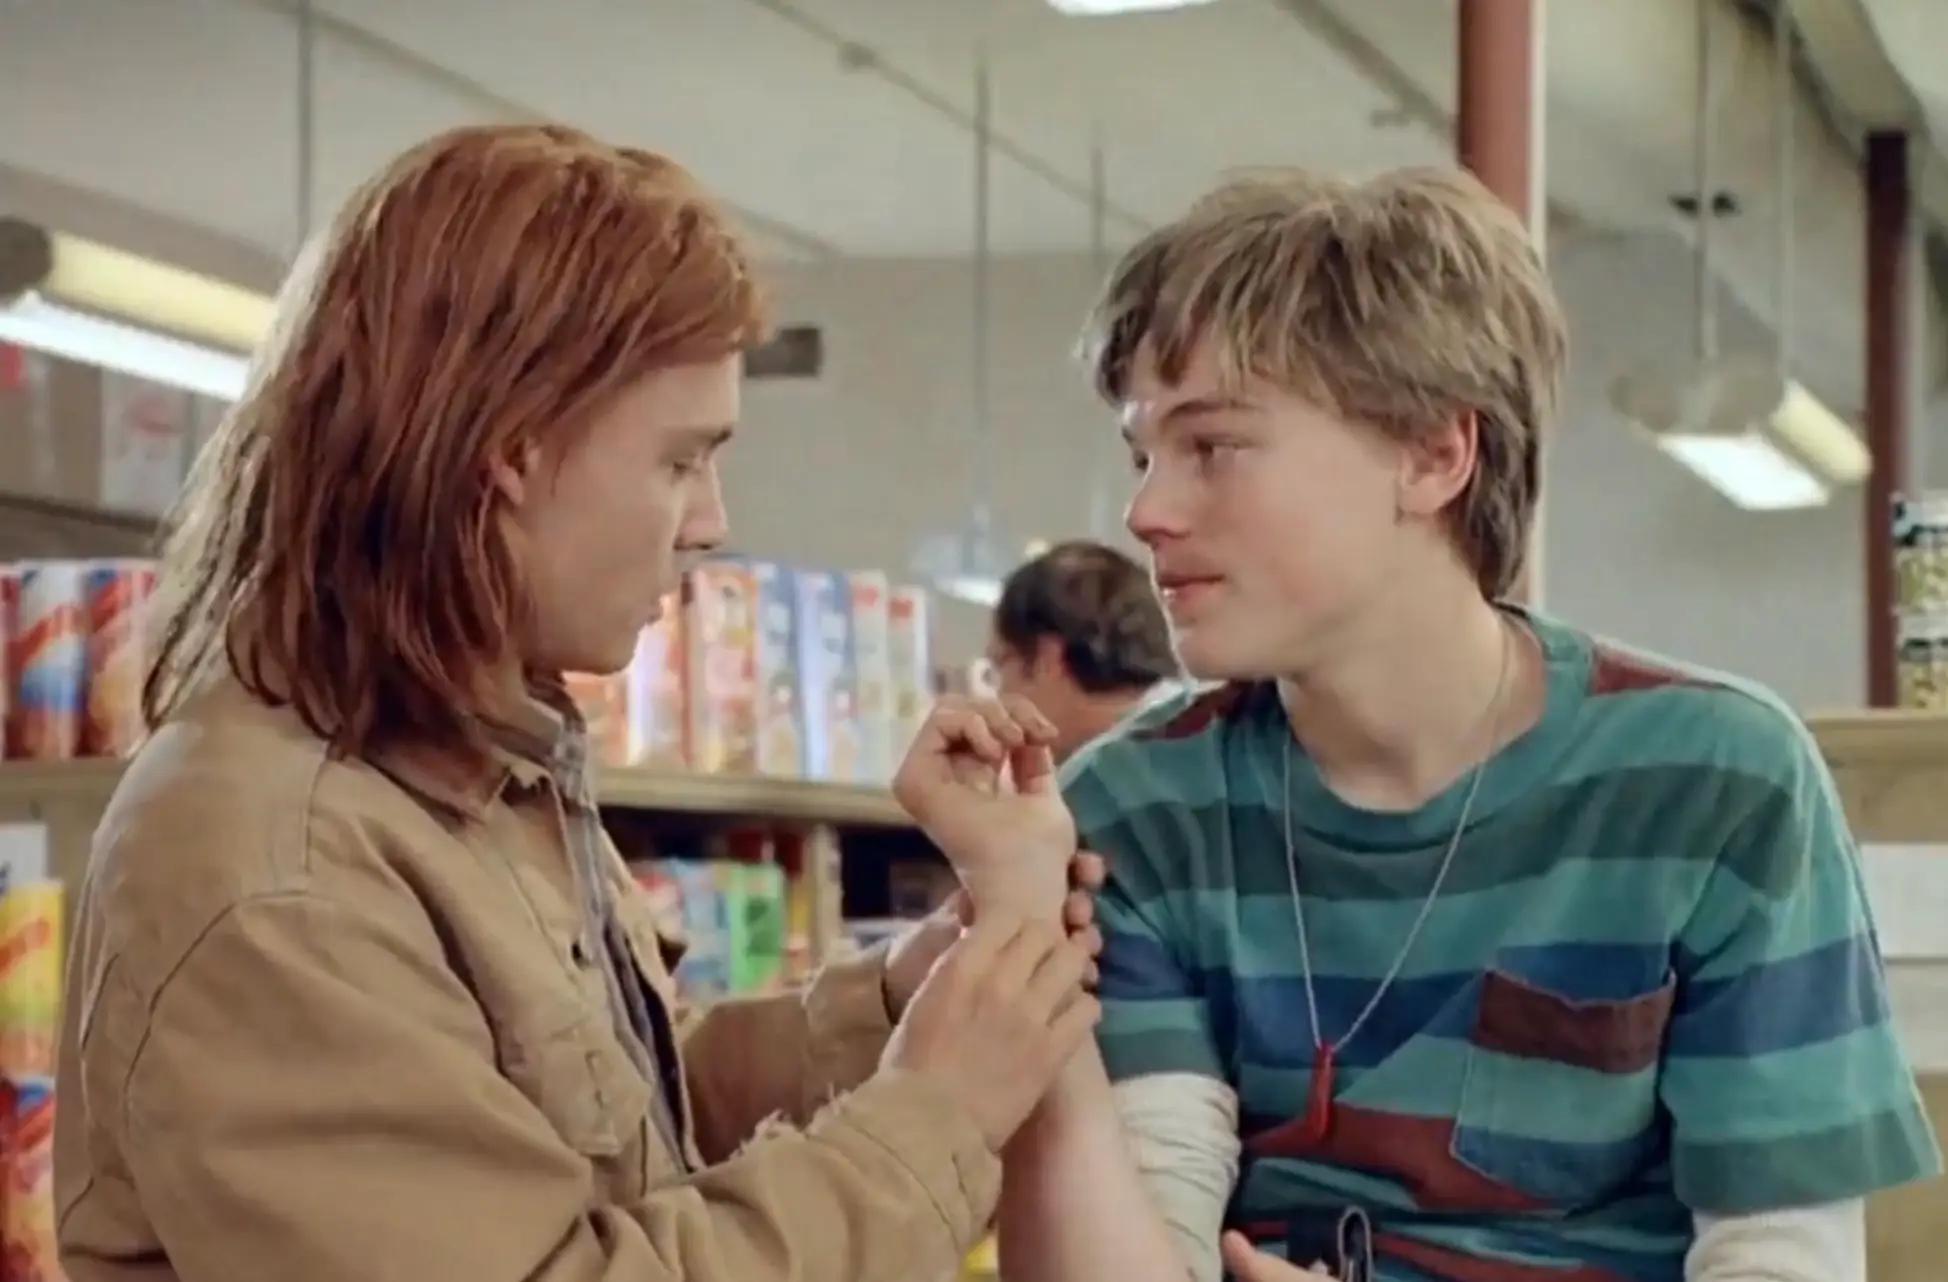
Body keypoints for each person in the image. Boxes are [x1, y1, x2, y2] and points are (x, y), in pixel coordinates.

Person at [52, 124, 1106, 1282]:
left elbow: (605, 1134)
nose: (709, 521)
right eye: (679, 460)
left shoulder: (480, 767)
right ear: (509, 450)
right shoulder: (276, 869)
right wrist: (933, 1113)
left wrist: (904, 999)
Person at [891, 167, 1941, 1282]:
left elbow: (1783, 1261)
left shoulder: (1718, 784)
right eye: (1143, 455)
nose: (1147, 510)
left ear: (1436, 453)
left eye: (1212, 446)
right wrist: (1014, 916)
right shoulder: (1138, 811)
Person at [987, 539, 1178, 763]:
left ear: (1047, 659)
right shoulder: (1194, 737)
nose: (999, 697)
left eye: (1000, 666)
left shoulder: (1107, 782)